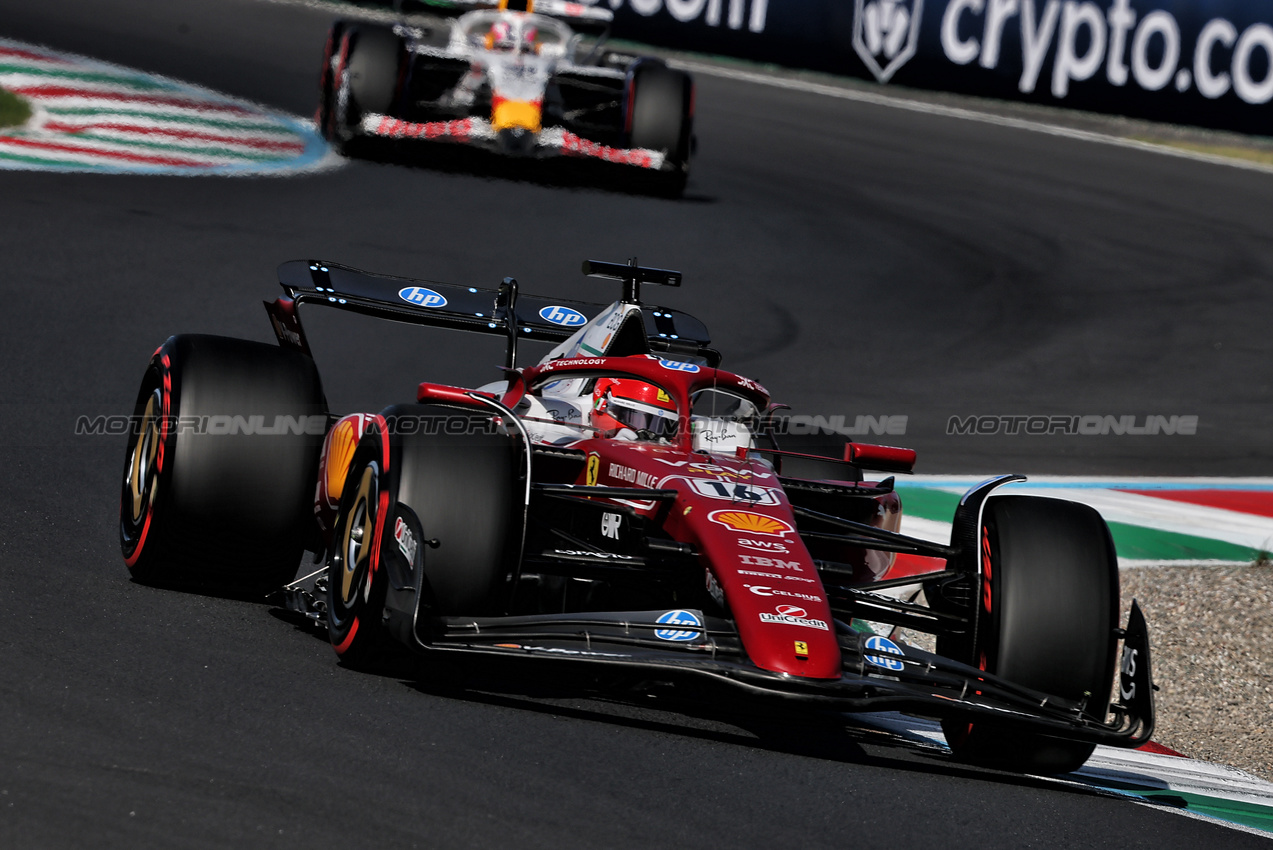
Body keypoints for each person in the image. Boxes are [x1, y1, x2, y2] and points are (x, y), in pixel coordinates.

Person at [590, 378, 678, 442]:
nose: (648, 437)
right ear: (603, 405)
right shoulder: (576, 434)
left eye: (660, 426)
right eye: (637, 420)